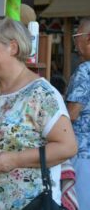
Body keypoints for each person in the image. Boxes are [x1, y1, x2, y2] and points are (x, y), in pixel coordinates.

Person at [0, 18, 77, 210]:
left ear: (13, 47)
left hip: (29, 204)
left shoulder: (42, 94)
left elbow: (67, 148)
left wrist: (16, 159)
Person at [66, 17, 90, 210]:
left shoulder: (85, 70)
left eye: (77, 35)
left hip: (83, 154)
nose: (75, 41)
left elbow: (72, 114)